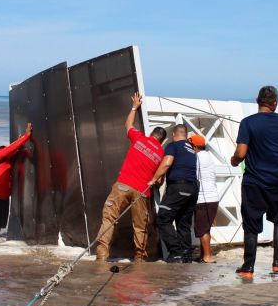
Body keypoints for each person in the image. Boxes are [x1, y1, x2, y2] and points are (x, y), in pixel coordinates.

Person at [94, 92, 167, 263]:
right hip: (142, 193)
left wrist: (135, 106)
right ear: (162, 141)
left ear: (152, 135)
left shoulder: (139, 138)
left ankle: (102, 255)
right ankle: (139, 258)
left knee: (109, 218)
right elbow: (159, 180)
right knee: (140, 226)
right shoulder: (161, 154)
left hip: (122, 185)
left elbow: (128, 124)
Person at [231, 86, 278, 277]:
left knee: (251, 223)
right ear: (275, 103)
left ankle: (248, 267)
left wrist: (234, 161)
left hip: (254, 181)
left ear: (258, 100)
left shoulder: (248, 123)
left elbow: (241, 153)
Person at [148, 124, 199, 263]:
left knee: (163, 219)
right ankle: (186, 255)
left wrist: (153, 179)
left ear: (174, 135)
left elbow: (166, 163)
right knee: (183, 222)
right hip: (193, 188)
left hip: (179, 186)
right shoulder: (191, 149)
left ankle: (176, 252)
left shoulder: (173, 145)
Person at [189, 134, 219, 263]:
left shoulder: (198, 157)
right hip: (212, 198)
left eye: (190, 145)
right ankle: (203, 255)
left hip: (204, 198)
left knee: (202, 230)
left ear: (195, 146)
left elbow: (193, 176)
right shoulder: (208, 156)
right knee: (205, 228)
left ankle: (207, 256)